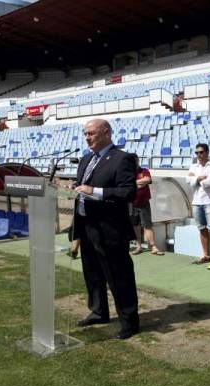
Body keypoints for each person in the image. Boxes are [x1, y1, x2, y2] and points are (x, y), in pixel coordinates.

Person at [72, 118, 139, 340]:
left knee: (119, 276)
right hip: (87, 226)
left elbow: (128, 192)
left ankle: (129, 321)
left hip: (110, 230)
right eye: (85, 134)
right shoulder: (85, 160)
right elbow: (81, 188)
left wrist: (95, 191)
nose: (87, 137)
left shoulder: (122, 159)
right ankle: (99, 311)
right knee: (92, 274)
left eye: (91, 133)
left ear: (107, 133)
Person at [187, 143, 210, 264]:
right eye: (197, 153)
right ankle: (206, 255)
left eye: (201, 152)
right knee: (202, 229)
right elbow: (188, 181)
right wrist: (199, 178)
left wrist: (194, 178)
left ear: (207, 152)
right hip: (196, 202)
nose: (199, 155)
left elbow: (209, 183)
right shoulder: (193, 166)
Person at [130, 154, 164, 256]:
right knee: (136, 225)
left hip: (144, 203)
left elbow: (148, 180)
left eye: (135, 160)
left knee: (147, 225)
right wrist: (139, 183)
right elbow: (128, 184)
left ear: (138, 161)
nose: (134, 163)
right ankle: (138, 246)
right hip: (132, 203)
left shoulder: (144, 171)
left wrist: (134, 183)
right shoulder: (128, 173)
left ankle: (153, 246)